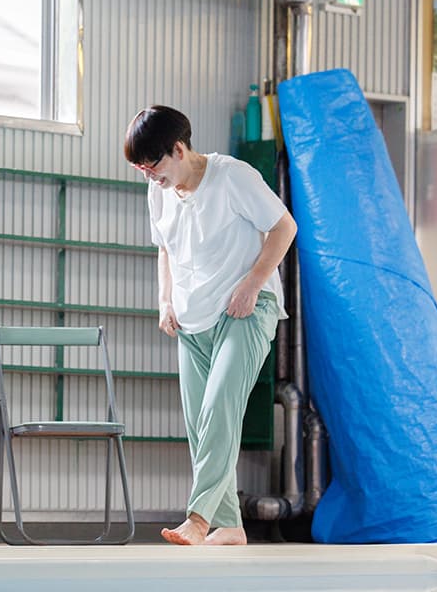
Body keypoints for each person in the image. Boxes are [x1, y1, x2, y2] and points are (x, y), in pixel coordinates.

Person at [123, 106, 297, 546]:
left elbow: (284, 227)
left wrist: (252, 284)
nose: (150, 176)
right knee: (200, 425)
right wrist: (165, 300)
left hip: (244, 310)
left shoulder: (232, 176)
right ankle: (230, 525)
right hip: (191, 319)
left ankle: (199, 519)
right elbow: (164, 248)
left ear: (179, 149)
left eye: (153, 165)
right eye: (141, 170)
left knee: (220, 408)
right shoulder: (159, 191)